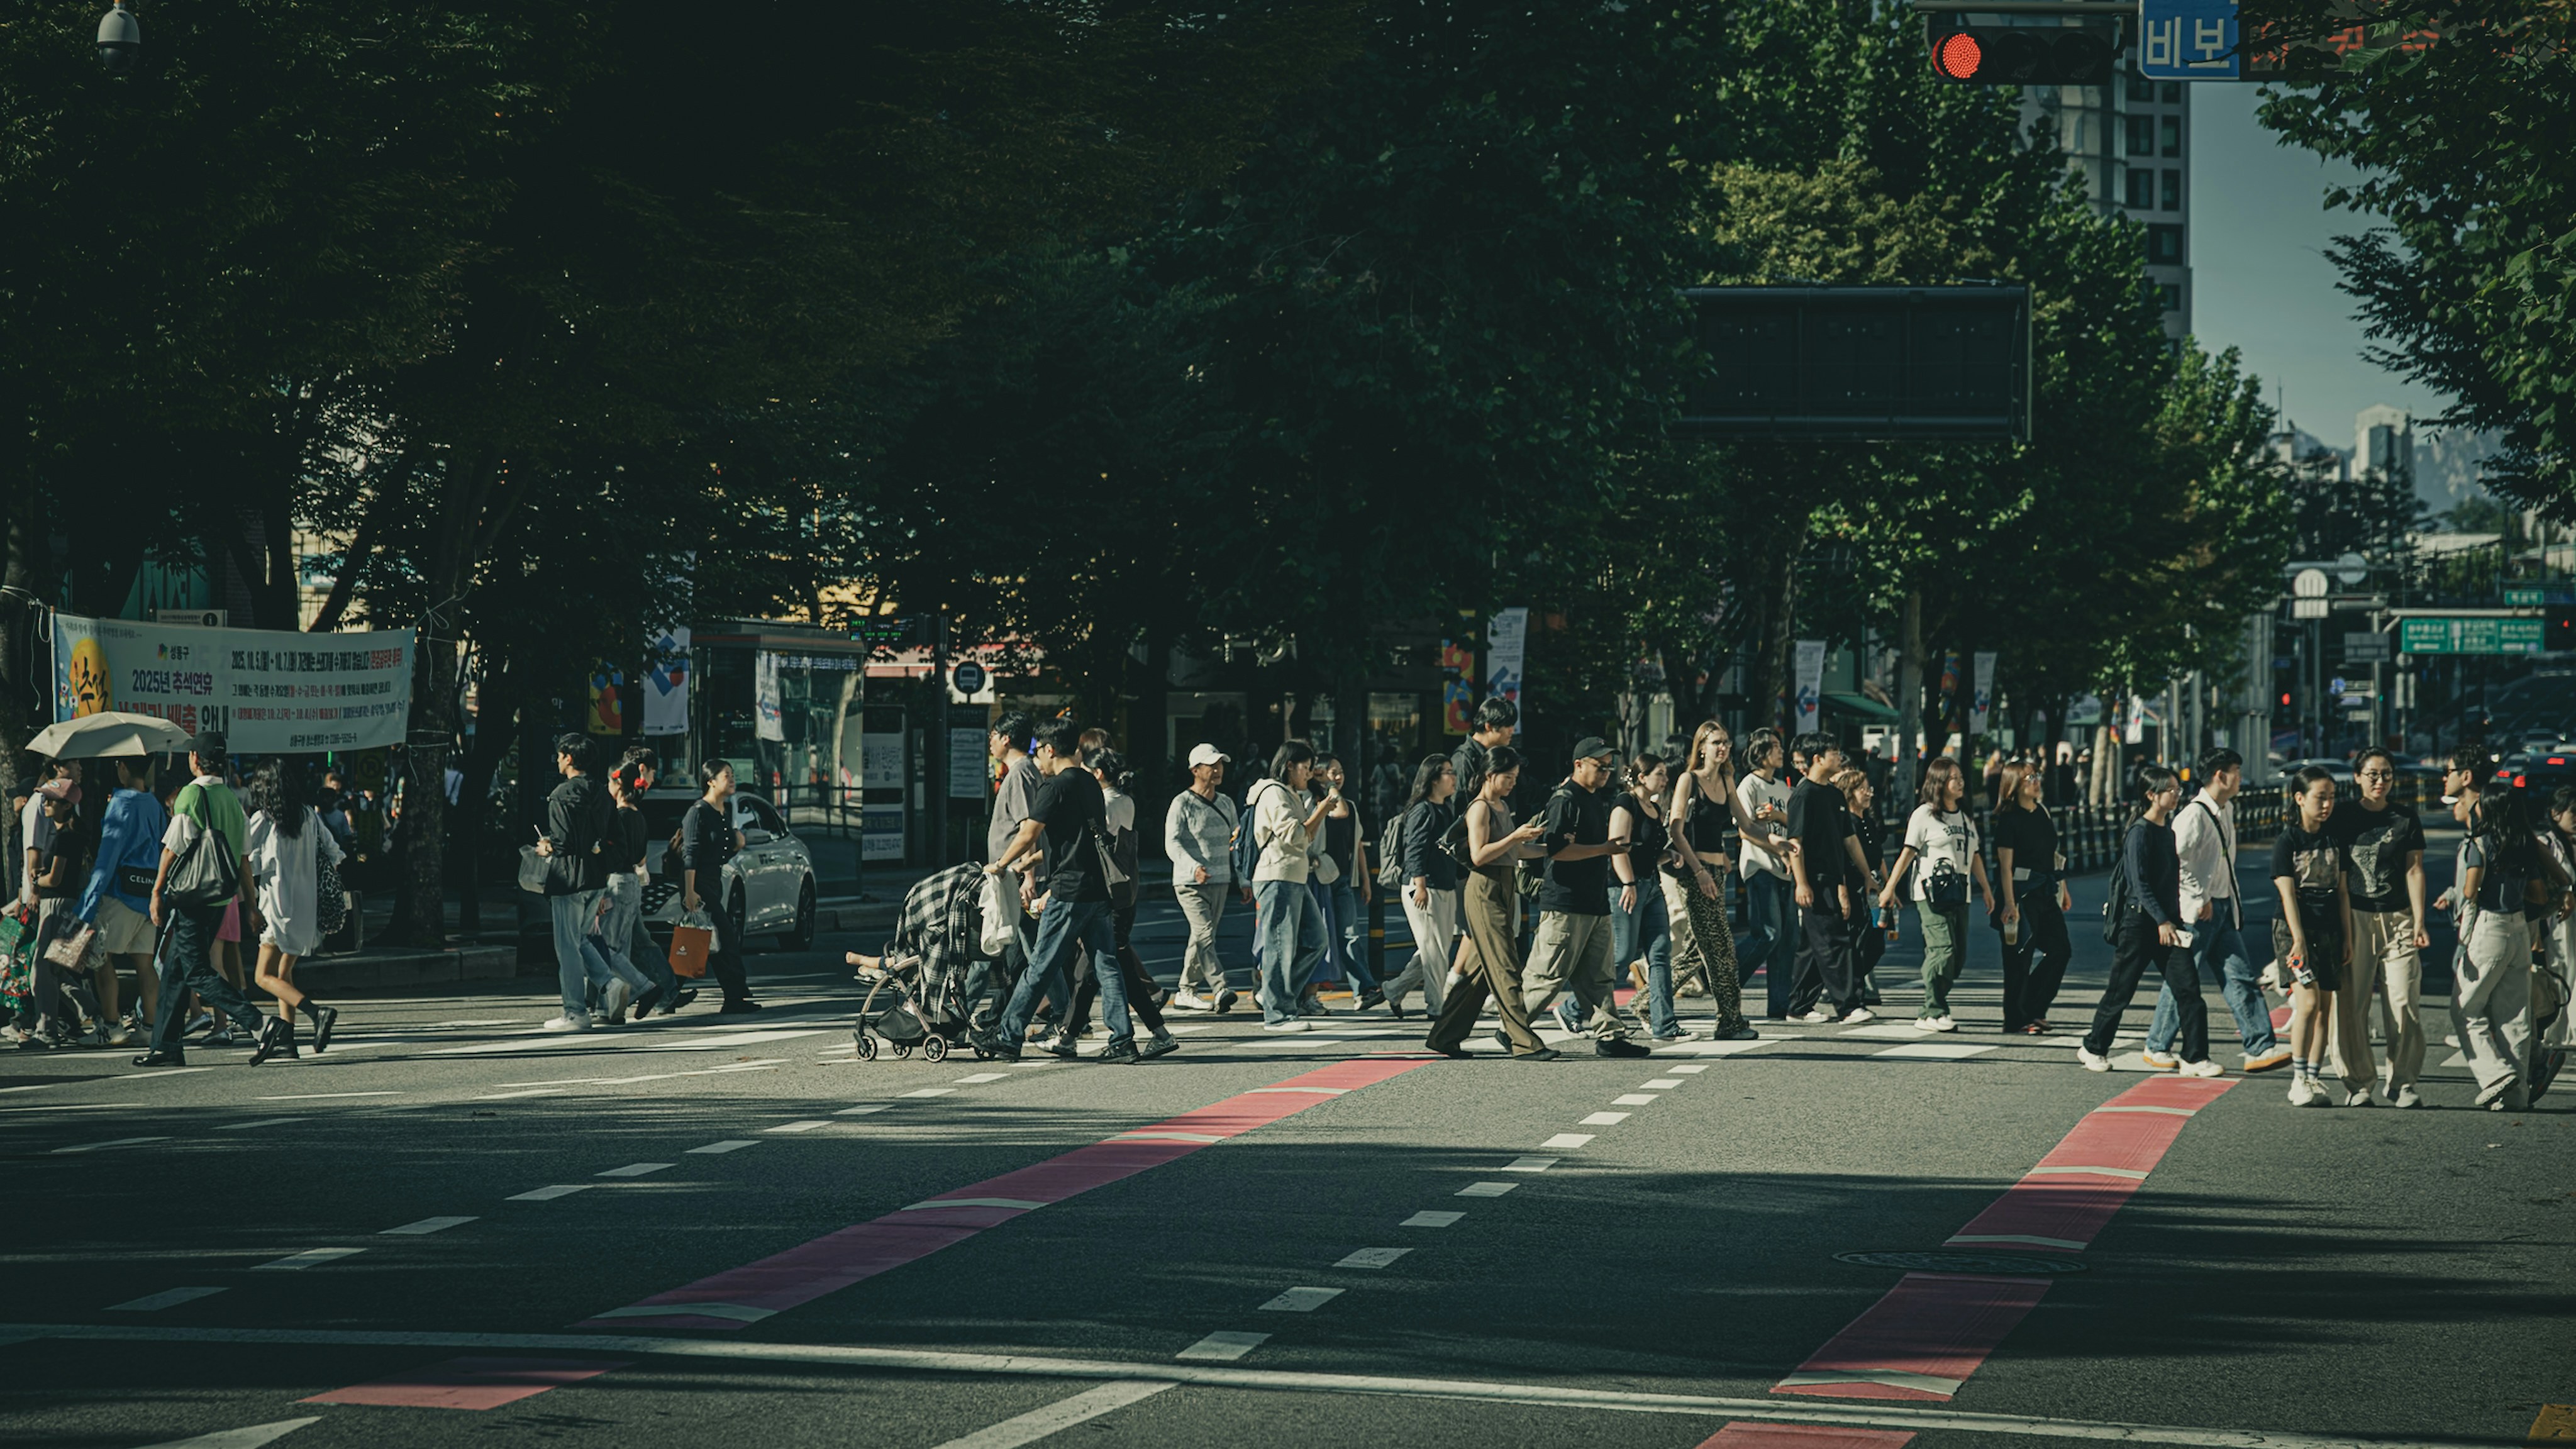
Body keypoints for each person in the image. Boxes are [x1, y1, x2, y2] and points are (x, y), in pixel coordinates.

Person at [969, 721, 1144, 1065]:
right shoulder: (1089, 783)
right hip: (1098, 889)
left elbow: (1028, 834)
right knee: (1106, 964)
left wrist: (1002, 864)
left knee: (1040, 966)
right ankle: (1123, 1038)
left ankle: (1008, 1036)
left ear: (1050, 749)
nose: (1038, 761)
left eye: (1040, 753)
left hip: (1068, 889)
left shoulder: (1054, 787)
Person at [136, 731, 284, 1069]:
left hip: (193, 898)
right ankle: (166, 1046)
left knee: (197, 971)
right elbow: (245, 859)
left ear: (194, 761)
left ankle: (260, 1024)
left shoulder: (191, 795)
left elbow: (173, 848)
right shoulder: (232, 800)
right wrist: (250, 904)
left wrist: (157, 891)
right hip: (221, 899)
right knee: (175, 969)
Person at [2143, 748, 2292, 1075]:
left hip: (2222, 908)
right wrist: (2201, 896)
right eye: (2236, 772)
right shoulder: (2193, 816)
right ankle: (2157, 1045)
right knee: (2184, 980)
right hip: (2197, 913)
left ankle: (2260, 1046)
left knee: (2239, 976)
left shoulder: (2227, 809)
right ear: (2219, 776)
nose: (2241, 777)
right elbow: (2174, 861)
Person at [2077, 765, 2221, 1079]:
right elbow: (2139, 884)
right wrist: (2161, 920)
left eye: (2177, 790)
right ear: (2151, 795)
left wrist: (2175, 921)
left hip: (2167, 925)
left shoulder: (2167, 832)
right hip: (2139, 925)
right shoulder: (2139, 833)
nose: (2177, 795)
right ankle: (2093, 1047)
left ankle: (2195, 1057)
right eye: (2171, 790)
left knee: (2189, 990)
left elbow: (2169, 883)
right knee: (2121, 992)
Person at [1422, 747, 1556, 1060]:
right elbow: (1480, 854)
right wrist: (1515, 838)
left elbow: (1515, 853)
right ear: (1489, 775)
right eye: (1507, 777)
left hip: (1504, 886)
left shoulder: (1502, 806)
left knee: (1478, 972)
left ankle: (1445, 1037)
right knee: (1507, 967)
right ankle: (1523, 1042)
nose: (1512, 783)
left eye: (1515, 778)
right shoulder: (1479, 808)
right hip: (1484, 889)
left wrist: (1548, 847)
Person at [2314, 745, 2429, 1106]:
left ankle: (2404, 1082)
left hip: (2399, 919)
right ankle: (2359, 1083)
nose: (2380, 781)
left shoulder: (2405, 818)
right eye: (2373, 775)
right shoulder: (2343, 816)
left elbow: (2414, 869)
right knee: (2351, 1004)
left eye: (2387, 775)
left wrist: (2420, 920)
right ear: (2358, 778)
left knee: (2404, 999)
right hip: (2355, 919)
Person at [1521, 736, 1651, 1058]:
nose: (1606, 772)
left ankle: (1610, 1035)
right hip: (1565, 902)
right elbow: (1558, 851)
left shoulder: (1596, 798)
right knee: (1547, 975)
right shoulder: (1565, 799)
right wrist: (1605, 849)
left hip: (1594, 902)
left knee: (1600, 976)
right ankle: (1514, 1027)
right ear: (1579, 765)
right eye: (1599, 766)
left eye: (1610, 766)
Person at [1049, 748, 1178, 1058]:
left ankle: (1074, 1037)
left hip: (1106, 896)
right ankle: (1155, 1033)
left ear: (1097, 774)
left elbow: (1090, 846)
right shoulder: (1126, 800)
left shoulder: (1105, 803)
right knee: (1109, 968)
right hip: (1124, 893)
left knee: (1093, 970)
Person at [1662, 721, 1780, 1041]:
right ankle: (1730, 1022)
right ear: (1701, 747)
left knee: (1693, 952)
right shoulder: (1689, 780)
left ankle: (1647, 1003)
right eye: (1715, 742)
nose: (1722, 747)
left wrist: (1776, 842)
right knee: (1722, 952)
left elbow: (1747, 825)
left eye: (1726, 742)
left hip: (1716, 874)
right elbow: (1676, 829)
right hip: (1695, 874)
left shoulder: (1728, 780)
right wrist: (1699, 871)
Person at [2442, 777, 2545, 1111]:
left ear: (2487, 808)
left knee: (2466, 1009)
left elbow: (2471, 891)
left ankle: (2495, 1074)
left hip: (2490, 928)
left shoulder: (2480, 843)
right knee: (2515, 1016)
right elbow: (2540, 894)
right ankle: (2517, 1097)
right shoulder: (2523, 844)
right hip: (2519, 929)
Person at [1874, 757, 1993, 1031]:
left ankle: (1934, 1006)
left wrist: (1986, 889)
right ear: (1939, 783)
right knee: (1943, 949)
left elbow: (1974, 856)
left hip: (1960, 893)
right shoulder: (1924, 815)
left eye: (1961, 777)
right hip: (1930, 893)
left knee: (1958, 956)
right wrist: (1890, 887)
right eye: (1954, 778)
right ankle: (1932, 1010)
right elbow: (1908, 853)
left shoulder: (1965, 817)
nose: (1960, 782)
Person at [243, 756, 345, 1057]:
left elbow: (246, 862)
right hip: (305, 909)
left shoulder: (264, 819)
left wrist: (250, 905)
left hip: (276, 907)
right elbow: (335, 853)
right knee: (283, 975)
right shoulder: (308, 815)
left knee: (263, 977)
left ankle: (317, 1013)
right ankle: (287, 1042)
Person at [1786, 733, 1880, 1026]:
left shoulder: (1834, 794)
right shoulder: (1803, 795)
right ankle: (1848, 1006)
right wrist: (1802, 883)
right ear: (1818, 759)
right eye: (1834, 752)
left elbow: (1849, 840)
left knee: (1812, 946)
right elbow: (1795, 842)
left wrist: (1867, 875)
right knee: (1834, 941)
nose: (1839, 757)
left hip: (1831, 876)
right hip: (1813, 879)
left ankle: (1799, 1006)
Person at [1241, 740, 1335, 1031]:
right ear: (1289, 766)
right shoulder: (1273, 793)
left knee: (1317, 940)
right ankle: (1278, 1013)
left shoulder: (1291, 793)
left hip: (1294, 876)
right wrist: (1321, 810)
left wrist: (1319, 788)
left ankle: (1275, 996)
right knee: (1280, 945)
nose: (1309, 773)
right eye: (1305, 767)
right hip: (1277, 875)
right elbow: (1296, 836)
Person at [72, 754, 165, 1046]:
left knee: (102, 960)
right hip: (150, 894)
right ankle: (150, 1027)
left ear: (122, 767)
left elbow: (107, 857)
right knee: (146, 964)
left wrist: (88, 903)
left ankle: (111, 1027)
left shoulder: (121, 803)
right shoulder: (154, 804)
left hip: (121, 894)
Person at [535, 734, 623, 1031]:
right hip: (596, 876)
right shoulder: (602, 793)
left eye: (560, 756)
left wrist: (546, 846)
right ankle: (609, 983)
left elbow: (562, 843)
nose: (558, 761)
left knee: (567, 946)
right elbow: (616, 837)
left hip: (568, 877)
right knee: (580, 938)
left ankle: (575, 1011)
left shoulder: (561, 794)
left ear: (569, 758)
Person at [1989, 760, 2073, 1035]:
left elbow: (2053, 856)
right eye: (2028, 778)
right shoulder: (2008, 820)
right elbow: (2006, 868)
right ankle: (2016, 1019)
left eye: (2036, 775)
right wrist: (2010, 904)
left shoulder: (2042, 812)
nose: (2036, 781)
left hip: (2046, 891)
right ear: (2014, 785)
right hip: (2020, 896)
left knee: (2061, 950)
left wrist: (2064, 890)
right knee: (2018, 960)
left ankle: (2034, 1007)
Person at [1610, 753, 1687, 1043]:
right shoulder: (1625, 803)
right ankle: (1575, 1009)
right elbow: (1618, 848)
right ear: (1642, 777)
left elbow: (1650, 852)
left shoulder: (1653, 808)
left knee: (1659, 953)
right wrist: (1628, 883)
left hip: (1651, 887)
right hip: (1625, 888)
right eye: (1660, 774)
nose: (1666, 780)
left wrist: (1669, 855)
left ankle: (1664, 1025)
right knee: (1622, 956)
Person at [977, 711, 1043, 1022]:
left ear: (1006, 738)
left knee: (1023, 949)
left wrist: (1028, 875)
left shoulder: (1019, 774)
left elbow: (1028, 828)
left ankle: (1064, 1013)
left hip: (1016, 876)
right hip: (1013, 874)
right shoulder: (1024, 771)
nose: (990, 741)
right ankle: (1001, 1013)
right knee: (1017, 948)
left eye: (993, 735)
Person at [1163, 743, 1240, 1013]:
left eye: (1220, 764)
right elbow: (1171, 843)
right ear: (1195, 770)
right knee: (1205, 935)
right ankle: (1221, 988)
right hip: (1189, 883)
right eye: (1212, 765)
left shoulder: (1226, 803)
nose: (1218, 770)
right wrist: (1193, 866)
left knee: (1201, 937)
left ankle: (1186, 990)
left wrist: (1243, 879)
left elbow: (1236, 843)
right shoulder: (1181, 803)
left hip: (1220, 879)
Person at [1383, 755, 1460, 1019]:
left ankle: (1394, 990)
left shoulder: (1446, 808)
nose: (1454, 778)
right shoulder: (1422, 810)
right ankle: (1436, 1007)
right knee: (1434, 949)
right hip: (1424, 887)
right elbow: (1414, 850)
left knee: (1433, 948)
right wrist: (1420, 884)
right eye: (1449, 773)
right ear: (1433, 779)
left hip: (1445, 885)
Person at [680, 758, 759, 1013]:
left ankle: (666, 991)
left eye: (733, 774)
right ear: (711, 781)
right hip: (698, 884)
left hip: (714, 882)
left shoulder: (724, 812)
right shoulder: (698, 812)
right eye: (727, 775)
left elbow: (720, 854)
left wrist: (737, 845)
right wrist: (690, 892)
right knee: (725, 936)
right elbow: (689, 854)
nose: (732, 779)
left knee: (700, 942)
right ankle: (735, 996)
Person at [592, 760, 669, 1023]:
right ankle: (612, 1010)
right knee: (620, 948)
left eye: (610, 783)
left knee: (604, 948)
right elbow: (642, 856)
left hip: (616, 882)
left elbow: (613, 854)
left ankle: (642, 987)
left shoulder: (620, 816)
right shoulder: (639, 816)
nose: (607, 787)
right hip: (633, 883)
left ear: (618, 785)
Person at [14, 779, 86, 1048]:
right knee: (57, 970)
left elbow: (55, 879)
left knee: (41, 969)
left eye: (52, 800)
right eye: (45, 798)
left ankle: (47, 1031)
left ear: (67, 806)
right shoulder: (70, 833)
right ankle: (97, 1016)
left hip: (57, 905)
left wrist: (36, 879)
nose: (46, 803)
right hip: (68, 904)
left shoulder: (65, 836)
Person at [1306, 755, 1381, 1011]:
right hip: (1317, 878)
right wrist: (1327, 787)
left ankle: (1364, 990)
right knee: (1317, 938)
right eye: (1331, 772)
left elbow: (1357, 845)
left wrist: (1366, 880)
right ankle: (1301, 993)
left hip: (1342, 879)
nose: (1337, 776)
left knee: (1350, 935)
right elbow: (1337, 811)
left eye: (1340, 771)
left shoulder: (1348, 805)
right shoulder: (1317, 803)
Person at [1735, 729, 1797, 1017]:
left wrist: (1779, 821)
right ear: (1759, 751)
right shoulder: (1749, 784)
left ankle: (1779, 1007)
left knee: (1787, 941)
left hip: (1786, 870)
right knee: (1768, 934)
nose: (1780, 751)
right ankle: (1725, 980)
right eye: (1774, 746)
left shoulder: (1785, 788)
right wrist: (1778, 849)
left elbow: (1796, 824)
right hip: (1760, 866)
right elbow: (1745, 830)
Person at [1834, 767, 1889, 1007]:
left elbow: (1879, 856)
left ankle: (1854, 986)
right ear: (1849, 793)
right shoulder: (1848, 823)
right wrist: (1843, 890)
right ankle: (1852, 992)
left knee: (1876, 943)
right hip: (1856, 887)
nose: (1868, 794)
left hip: (1875, 889)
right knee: (1859, 941)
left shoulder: (1868, 822)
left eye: (1869, 789)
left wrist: (1889, 887)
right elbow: (1840, 861)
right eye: (1862, 789)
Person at [1449, 697, 1518, 802]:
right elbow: (1460, 806)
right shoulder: (1464, 761)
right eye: (1507, 726)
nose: (1512, 731)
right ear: (1489, 727)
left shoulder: (1501, 756)